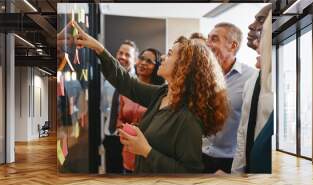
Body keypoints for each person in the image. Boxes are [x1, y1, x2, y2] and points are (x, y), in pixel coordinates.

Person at [72, 21, 229, 173]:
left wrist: (146, 151)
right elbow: (126, 83)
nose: (162, 58)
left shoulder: (188, 118)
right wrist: (98, 47)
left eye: (169, 54)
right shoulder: (162, 94)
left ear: (183, 67)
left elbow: (189, 173)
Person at [202, 22, 258, 173]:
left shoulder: (251, 78)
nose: (207, 44)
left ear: (233, 46)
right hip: (201, 157)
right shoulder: (203, 76)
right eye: (208, 39)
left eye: (214, 39)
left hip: (230, 162)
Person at [232, 8, 273, 174]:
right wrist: (236, 173)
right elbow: (243, 132)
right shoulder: (251, 82)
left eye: (261, 21)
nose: (251, 26)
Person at [117, 48, 165, 173]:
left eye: (149, 61)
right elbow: (119, 120)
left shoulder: (160, 94)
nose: (143, 63)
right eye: (142, 58)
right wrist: (124, 128)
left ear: (157, 67)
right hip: (128, 152)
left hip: (149, 153)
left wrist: (141, 128)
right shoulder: (126, 91)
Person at [101, 40, 138, 173]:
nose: (122, 57)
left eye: (127, 55)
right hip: (110, 136)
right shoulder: (109, 81)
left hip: (129, 139)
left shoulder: (138, 83)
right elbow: (104, 108)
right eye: (120, 53)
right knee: (111, 176)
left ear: (135, 60)